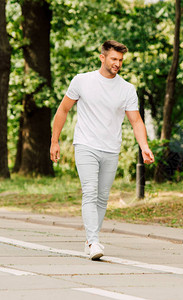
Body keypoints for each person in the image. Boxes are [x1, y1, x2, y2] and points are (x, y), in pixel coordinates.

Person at [50, 40, 155, 260]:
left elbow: (136, 121)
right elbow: (63, 109)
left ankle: (90, 239)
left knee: (102, 197)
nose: (117, 63)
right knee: (90, 191)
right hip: (86, 145)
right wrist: (55, 141)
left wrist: (144, 146)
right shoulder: (82, 81)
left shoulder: (127, 89)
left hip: (111, 149)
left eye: (120, 60)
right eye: (114, 59)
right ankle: (94, 241)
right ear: (102, 57)